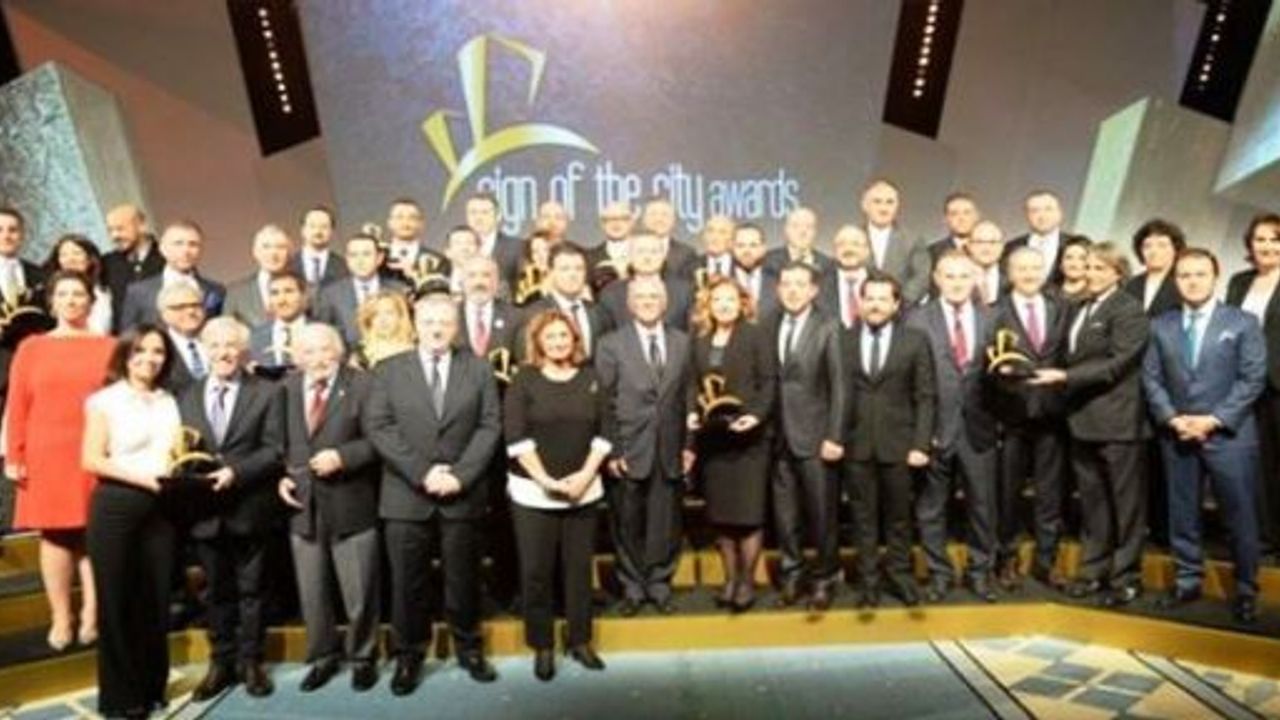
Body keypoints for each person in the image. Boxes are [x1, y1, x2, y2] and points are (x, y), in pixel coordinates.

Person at [364, 294, 502, 695]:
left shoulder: (478, 368)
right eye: (429, 322)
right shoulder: (388, 370)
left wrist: (460, 475)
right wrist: (423, 473)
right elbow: (379, 426)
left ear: (456, 327)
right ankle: (408, 656)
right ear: (415, 325)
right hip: (406, 494)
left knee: (464, 578)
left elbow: (490, 425)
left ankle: (469, 648)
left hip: (463, 493)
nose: (437, 329)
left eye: (445, 322)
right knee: (407, 583)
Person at [1143, 248, 1265, 625]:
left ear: (1215, 277)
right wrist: (1171, 418)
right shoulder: (1160, 325)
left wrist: (1214, 419)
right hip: (1178, 433)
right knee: (1182, 513)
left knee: (1239, 514)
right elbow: (1151, 378)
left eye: (1200, 274)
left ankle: (1246, 588)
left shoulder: (1242, 322)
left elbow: (1252, 378)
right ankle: (1187, 581)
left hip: (1229, 435)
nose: (1192, 281)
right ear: (1176, 281)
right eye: (1185, 275)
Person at [1030, 242, 1149, 606]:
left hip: (1117, 421)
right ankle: (1093, 571)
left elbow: (1118, 363)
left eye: (1100, 268)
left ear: (1118, 273)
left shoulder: (1128, 309)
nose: (1091, 274)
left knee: (1126, 506)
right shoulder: (1079, 306)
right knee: (1094, 503)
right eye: (1089, 267)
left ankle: (1126, 577)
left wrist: (1065, 377)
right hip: (1081, 420)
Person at [6, 271, 117, 649]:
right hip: (46, 452)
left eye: (79, 294)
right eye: (64, 294)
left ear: (91, 301)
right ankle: (61, 617)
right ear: (52, 302)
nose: (71, 301)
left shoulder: (110, 346)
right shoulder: (31, 347)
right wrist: (15, 453)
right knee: (54, 535)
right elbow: (18, 403)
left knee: (93, 535)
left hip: (94, 450)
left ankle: (92, 615)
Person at [178, 317, 286, 700]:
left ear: (243, 351)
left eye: (231, 346)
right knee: (216, 592)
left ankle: (251, 661)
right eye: (216, 346)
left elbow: (275, 449)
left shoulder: (268, 392)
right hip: (205, 512)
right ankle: (220, 662)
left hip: (250, 507)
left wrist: (235, 473)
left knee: (253, 591)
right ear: (205, 350)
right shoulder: (186, 396)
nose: (224, 353)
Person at [82, 325, 182, 719]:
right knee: (116, 601)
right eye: (140, 350)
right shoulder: (105, 400)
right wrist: (143, 480)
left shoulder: (169, 400)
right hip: (116, 506)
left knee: (155, 601)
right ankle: (122, 698)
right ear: (125, 354)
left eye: (158, 352)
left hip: (161, 508)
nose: (149, 359)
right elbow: (91, 459)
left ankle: (153, 686)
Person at [504, 310, 610, 680]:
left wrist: (585, 475)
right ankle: (543, 645)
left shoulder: (592, 378)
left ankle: (580, 640)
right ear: (538, 342)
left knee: (579, 570)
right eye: (550, 337)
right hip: (534, 493)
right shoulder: (524, 380)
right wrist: (547, 481)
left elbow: (606, 431)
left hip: (584, 490)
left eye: (564, 335)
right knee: (537, 571)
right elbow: (516, 437)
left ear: (575, 339)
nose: (558, 342)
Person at [276, 324, 381, 692]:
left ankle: (363, 656)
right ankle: (322, 657)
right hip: (302, 505)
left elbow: (380, 439)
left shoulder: (363, 384)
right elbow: (278, 443)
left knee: (359, 591)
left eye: (325, 349)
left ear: (339, 351)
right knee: (313, 592)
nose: (318, 358)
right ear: (296, 357)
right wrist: (282, 476)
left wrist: (343, 456)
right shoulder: (286, 388)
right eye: (308, 351)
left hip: (351, 500)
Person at [596, 276, 695, 615]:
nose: (648, 301)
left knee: (666, 523)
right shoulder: (610, 344)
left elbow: (690, 396)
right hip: (628, 448)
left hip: (670, 447)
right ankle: (633, 587)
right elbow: (604, 402)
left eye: (654, 296)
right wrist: (612, 450)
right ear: (630, 303)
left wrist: (689, 445)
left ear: (665, 303)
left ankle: (660, 583)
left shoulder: (682, 341)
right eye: (641, 296)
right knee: (627, 523)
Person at [909, 250, 1000, 603]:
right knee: (931, 508)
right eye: (950, 276)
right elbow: (912, 382)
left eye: (964, 276)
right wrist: (921, 432)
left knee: (983, 506)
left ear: (975, 279)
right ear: (936, 279)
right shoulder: (917, 320)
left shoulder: (992, 318)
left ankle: (980, 572)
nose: (957, 283)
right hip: (934, 429)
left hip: (979, 428)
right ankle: (939, 573)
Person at [841, 273, 934, 608]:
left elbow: (925, 396)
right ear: (860, 303)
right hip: (856, 444)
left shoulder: (915, 340)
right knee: (862, 519)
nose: (876, 305)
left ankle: (900, 575)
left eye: (883, 299)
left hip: (900, 444)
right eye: (870, 298)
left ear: (896, 304)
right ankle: (868, 582)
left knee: (899, 518)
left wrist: (920, 444)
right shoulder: (843, 340)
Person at [686, 277, 775, 612]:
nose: (724, 305)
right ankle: (729, 580)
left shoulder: (756, 335)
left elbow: (769, 382)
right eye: (717, 300)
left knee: (748, 515)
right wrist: (691, 413)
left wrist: (756, 416)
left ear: (742, 304)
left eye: (730, 299)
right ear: (708, 305)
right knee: (721, 517)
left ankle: (746, 582)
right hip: (714, 441)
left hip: (749, 438)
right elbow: (691, 384)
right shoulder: (699, 340)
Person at [991, 246, 1071, 590]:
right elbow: (987, 366)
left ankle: (1046, 561)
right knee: (1007, 494)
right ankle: (1006, 559)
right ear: (1009, 273)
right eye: (1021, 268)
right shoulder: (993, 312)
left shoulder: (1062, 308)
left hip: (1053, 416)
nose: (1028, 274)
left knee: (1050, 494)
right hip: (1011, 417)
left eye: (1035, 268)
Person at [770, 262, 845, 610]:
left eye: (800, 284)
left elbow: (840, 387)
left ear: (814, 290)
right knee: (785, 516)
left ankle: (825, 576)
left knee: (821, 514)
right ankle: (792, 573)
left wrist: (835, 435)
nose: (792, 290)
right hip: (777, 438)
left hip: (817, 437)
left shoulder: (829, 326)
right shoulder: (770, 323)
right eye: (786, 284)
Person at [1225, 213, 1280, 556]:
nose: (1267, 246)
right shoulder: (1239, 281)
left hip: (1277, 384)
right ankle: (1262, 535)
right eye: (1260, 239)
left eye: (1275, 239)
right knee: (1255, 465)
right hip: (1244, 386)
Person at [118, 220, 224, 329]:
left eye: (193, 244)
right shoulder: (139, 292)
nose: (186, 250)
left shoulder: (215, 290)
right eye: (178, 243)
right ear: (162, 248)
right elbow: (128, 334)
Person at [519, 243, 612, 361]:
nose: (573, 275)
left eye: (579, 269)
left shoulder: (600, 314)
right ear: (550, 272)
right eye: (565, 269)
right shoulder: (532, 314)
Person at [313, 233, 406, 346]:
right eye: (353, 255)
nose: (360, 261)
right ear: (347, 259)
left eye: (366, 254)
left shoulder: (399, 290)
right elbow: (323, 334)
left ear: (379, 258)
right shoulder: (330, 294)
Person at [599, 232, 694, 331]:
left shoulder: (684, 291)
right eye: (641, 251)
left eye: (653, 252)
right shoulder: (610, 293)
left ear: (664, 255)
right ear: (630, 255)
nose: (647, 257)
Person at [859, 179, 931, 303]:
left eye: (890, 202)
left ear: (897, 206)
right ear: (864, 205)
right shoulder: (851, 238)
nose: (883, 208)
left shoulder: (913, 240)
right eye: (877, 202)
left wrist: (897, 303)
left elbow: (922, 277)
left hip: (903, 309)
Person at [1001, 190, 1083, 286]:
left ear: (1060, 213)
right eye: (1034, 211)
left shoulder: (1076, 244)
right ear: (1027, 215)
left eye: (1048, 209)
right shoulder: (1011, 247)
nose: (1042, 216)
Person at [101, 204, 163, 331]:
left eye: (120, 229)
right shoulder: (107, 263)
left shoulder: (167, 256)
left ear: (142, 226)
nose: (115, 236)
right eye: (110, 230)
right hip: (125, 337)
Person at [224, 224, 294, 328]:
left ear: (290, 253)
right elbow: (226, 331)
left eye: (280, 247)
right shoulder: (235, 292)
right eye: (266, 247)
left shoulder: (306, 289)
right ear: (255, 252)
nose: (273, 253)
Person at [44, 233, 113, 334]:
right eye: (64, 254)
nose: (70, 259)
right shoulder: (48, 291)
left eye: (77, 253)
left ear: (90, 259)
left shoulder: (103, 292)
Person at [248, 272, 310, 372]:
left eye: (289, 291)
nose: (281, 300)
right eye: (275, 293)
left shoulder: (322, 331)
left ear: (304, 296)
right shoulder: (256, 336)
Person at [1124, 219, 1185, 318]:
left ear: (1176, 250)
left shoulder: (1184, 283)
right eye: (1147, 246)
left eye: (1162, 245)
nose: (1154, 251)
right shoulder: (1131, 285)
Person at [157, 283, 210, 395]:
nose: (191, 312)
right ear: (164, 314)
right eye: (181, 307)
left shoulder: (217, 339)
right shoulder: (159, 345)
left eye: (196, 305)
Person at [465, 191, 522, 288]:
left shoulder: (518, 247)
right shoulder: (457, 248)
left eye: (485, 212)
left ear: (498, 216)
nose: (478, 218)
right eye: (473, 212)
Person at [820, 224, 872, 329]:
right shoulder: (819, 283)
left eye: (856, 244)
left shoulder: (882, 282)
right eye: (841, 244)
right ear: (834, 251)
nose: (848, 249)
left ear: (867, 251)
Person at [350, 291, 415, 370]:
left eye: (389, 313)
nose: (383, 320)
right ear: (369, 320)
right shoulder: (360, 356)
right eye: (375, 314)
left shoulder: (416, 348)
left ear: (400, 316)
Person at [763, 208, 833, 278]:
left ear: (815, 231)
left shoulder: (828, 264)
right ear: (786, 230)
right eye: (796, 226)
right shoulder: (767, 260)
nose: (802, 231)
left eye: (808, 227)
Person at [289, 206, 348, 289]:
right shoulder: (288, 265)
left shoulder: (343, 266)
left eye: (324, 227)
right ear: (303, 230)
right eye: (312, 226)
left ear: (332, 231)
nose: (318, 231)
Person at [731, 223, 780, 324]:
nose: (747, 251)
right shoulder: (722, 279)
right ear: (732, 247)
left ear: (763, 248)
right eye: (740, 245)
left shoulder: (778, 279)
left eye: (753, 245)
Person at [639, 197, 697, 279]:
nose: (659, 219)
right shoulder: (630, 250)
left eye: (665, 215)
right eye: (653, 214)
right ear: (644, 220)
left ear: (673, 220)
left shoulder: (687, 253)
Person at [1057, 236, 1093, 301]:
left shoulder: (1093, 298)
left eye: (1082, 258)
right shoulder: (1047, 293)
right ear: (1060, 262)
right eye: (1069, 257)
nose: (1074, 263)